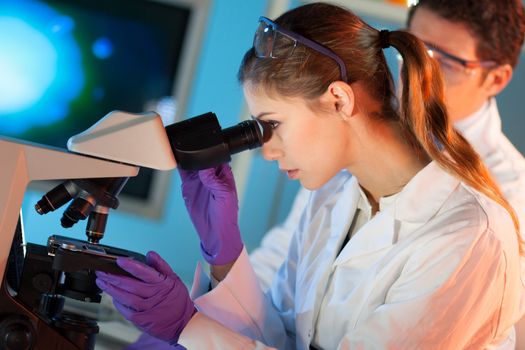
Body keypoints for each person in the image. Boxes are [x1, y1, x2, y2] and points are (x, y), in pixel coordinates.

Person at [96, 2, 524, 349]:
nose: (267, 150)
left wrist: (189, 328)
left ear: (338, 99)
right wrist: (225, 256)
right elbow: (281, 338)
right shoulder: (336, 193)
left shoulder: (466, 236)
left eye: (273, 124)